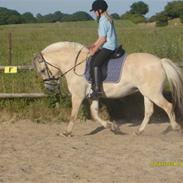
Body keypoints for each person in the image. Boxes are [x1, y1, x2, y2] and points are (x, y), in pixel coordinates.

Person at [89, 0, 118, 99]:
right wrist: (93, 45)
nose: (94, 13)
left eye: (95, 11)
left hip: (108, 47)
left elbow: (103, 39)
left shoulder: (103, 21)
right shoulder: (106, 18)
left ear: (100, 10)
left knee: (95, 64)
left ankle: (97, 90)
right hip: (110, 45)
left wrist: (94, 49)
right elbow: (100, 38)